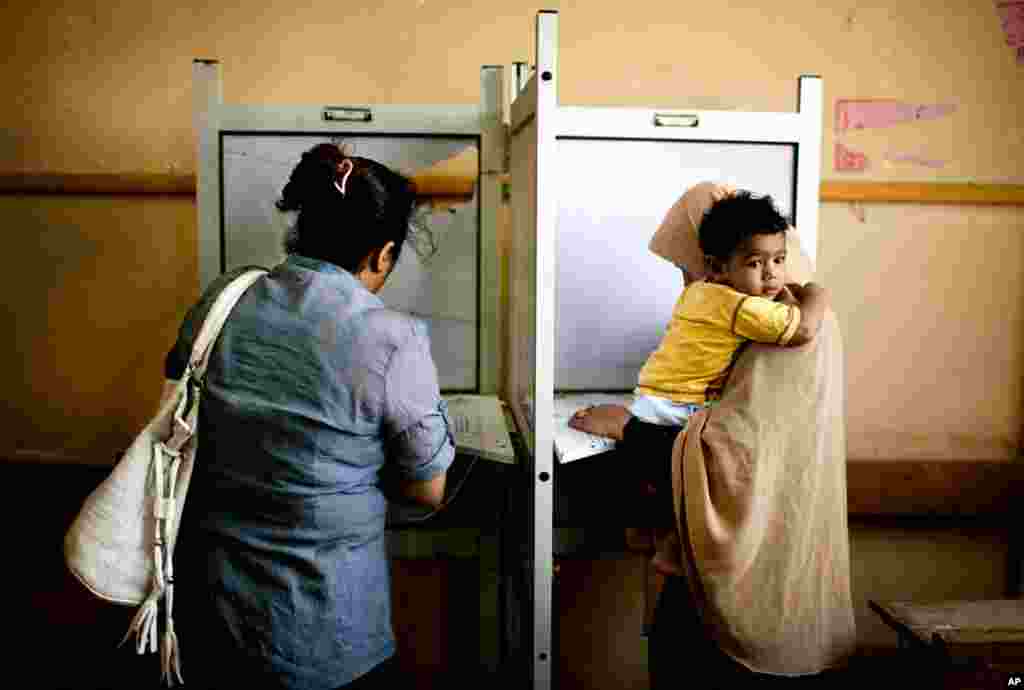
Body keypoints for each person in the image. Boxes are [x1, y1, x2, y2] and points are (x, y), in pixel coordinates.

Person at [165, 143, 455, 689]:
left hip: (209, 613)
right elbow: (427, 491)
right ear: (383, 253)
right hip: (323, 633)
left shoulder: (221, 301)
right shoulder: (391, 338)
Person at [571, 182, 857, 688]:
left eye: (686, 269)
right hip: (747, 558)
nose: (689, 285)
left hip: (751, 575)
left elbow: (735, 464)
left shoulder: (788, 334)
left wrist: (629, 430)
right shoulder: (778, 315)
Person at [631, 189, 831, 427]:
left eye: (779, 259)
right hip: (681, 404)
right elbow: (803, 330)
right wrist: (816, 292)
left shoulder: (698, 290)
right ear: (718, 267)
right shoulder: (738, 306)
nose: (771, 274)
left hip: (652, 394)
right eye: (755, 263)